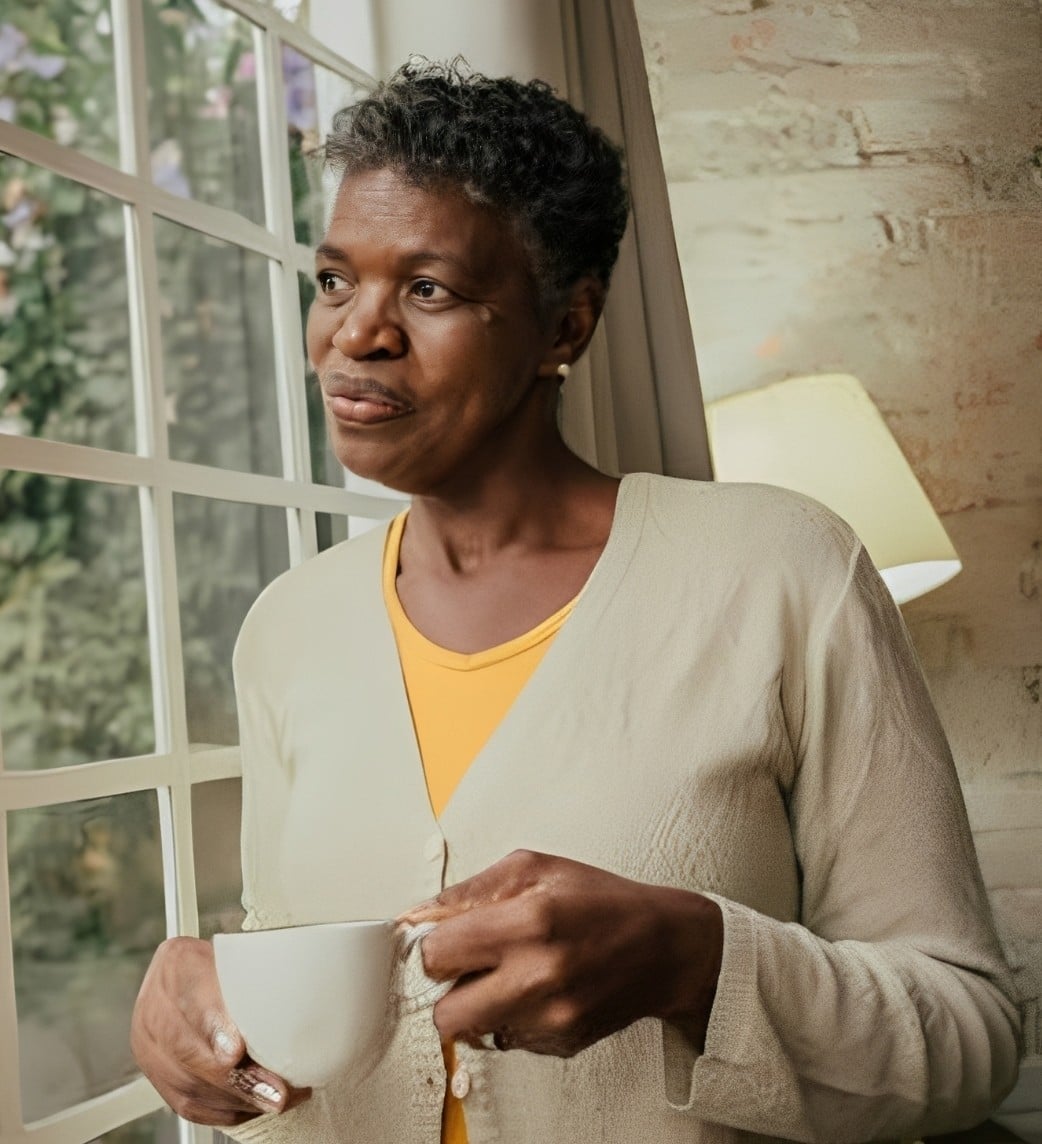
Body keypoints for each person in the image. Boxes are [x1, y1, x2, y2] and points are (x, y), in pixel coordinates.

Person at [130, 60, 1021, 1143]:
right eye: (333, 281)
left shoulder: (782, 571)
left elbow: (969, 1034)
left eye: (429, 290)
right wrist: (199, 999)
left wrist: (696, 962)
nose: (354, 334)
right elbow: (296, 983)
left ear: (565, 327)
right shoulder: (286, 629)